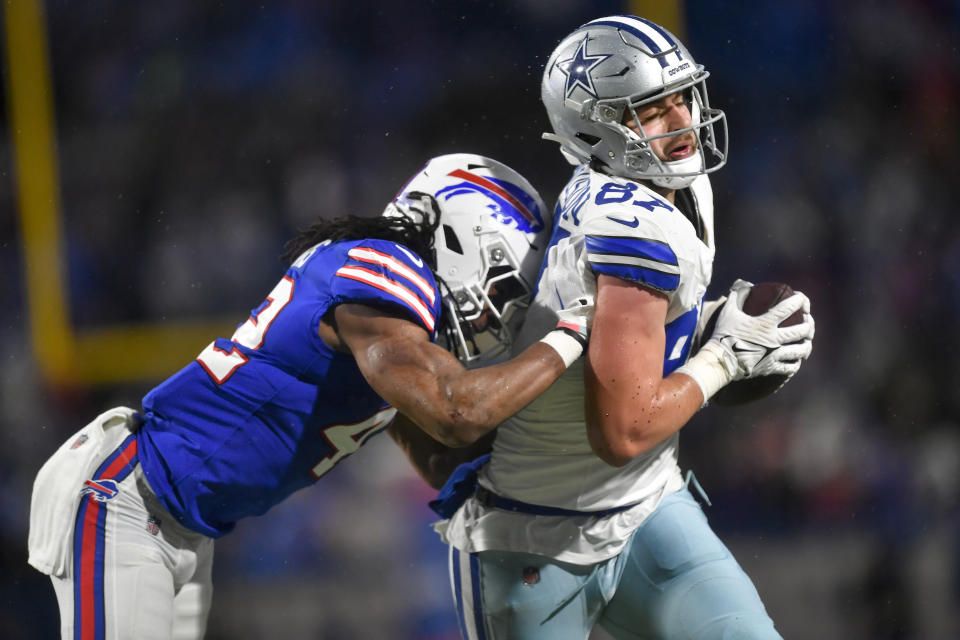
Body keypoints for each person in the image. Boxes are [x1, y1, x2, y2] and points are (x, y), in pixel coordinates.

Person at [27, 153, 593, 640]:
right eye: (505, 287)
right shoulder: (389, 271)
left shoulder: (393, 322)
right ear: (462, 236)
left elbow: (442, 455)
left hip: (181, 522)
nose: (507, 312)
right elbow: (455, 412)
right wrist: (574, 333)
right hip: (129, 497)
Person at [434, 16, 816, 640]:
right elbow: (625, 428)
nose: (682, 122)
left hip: (647, 507)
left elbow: (633, 346)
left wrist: (705, 329)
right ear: (595, 130)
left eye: (682, 98)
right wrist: (722, 358)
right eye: (651, 111)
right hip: (533, 545)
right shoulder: (630, 228)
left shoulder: (673, 187)